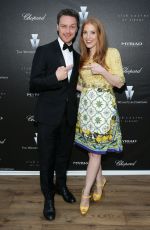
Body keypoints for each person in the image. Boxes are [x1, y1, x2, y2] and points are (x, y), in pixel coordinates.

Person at [29, 9, 80, 221]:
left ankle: (61, 186)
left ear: (76, 29)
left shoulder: (77, 56)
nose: (68, 31)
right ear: (57, 27)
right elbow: (33, 83)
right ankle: (48, 199)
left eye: (72, 27)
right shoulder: (44, 51)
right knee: (46, 160)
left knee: (63, 158)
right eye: (64, 26)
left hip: (68, 117)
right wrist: (55, 77)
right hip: (48, 117)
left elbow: (72, 87)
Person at [75, 17, 125, 215]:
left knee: (96, 153)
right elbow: (81, 86)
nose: (88, 37)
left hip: (103, 110)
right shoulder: (82, 58)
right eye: (85, 32)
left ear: (99, 34)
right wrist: (70, 85)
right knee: (92, 152)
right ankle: (100, 181)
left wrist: (102, 70)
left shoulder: (111, 53)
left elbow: (119, 83)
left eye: (92, 32)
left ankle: (86, 193)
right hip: (87, 109)